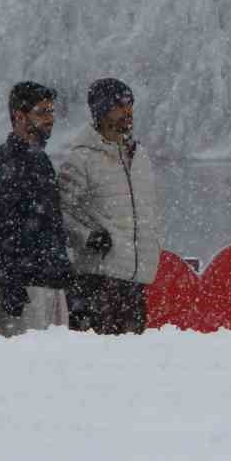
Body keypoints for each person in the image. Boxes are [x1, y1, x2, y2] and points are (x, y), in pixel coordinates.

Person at [58, 78, 166, 335]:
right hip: (98, 281)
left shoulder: (140, 157)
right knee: (101, 364)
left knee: (134, 363)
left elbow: (153, 209)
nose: (127, 112)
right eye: (120, 106)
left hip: (137, 278)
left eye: (130, 105)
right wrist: (88, 237)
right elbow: (61, 212)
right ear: (101, 110)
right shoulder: (80, 158)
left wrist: (155, 243)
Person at [0, 81, 74, 336]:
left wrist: (62, 271)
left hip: (50, 283)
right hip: (23, 290)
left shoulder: (41, 160)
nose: (50, 119)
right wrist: (11, 280)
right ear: (19, 116)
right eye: (42, 112)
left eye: (51, 112)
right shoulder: (3, 163)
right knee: (24, 368)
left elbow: (50, 224)